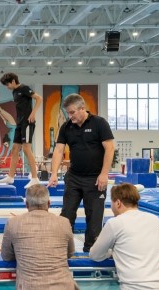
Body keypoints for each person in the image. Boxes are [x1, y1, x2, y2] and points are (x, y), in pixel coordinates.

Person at [47, 93, 115, 253]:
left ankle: (91, 250)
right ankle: (62, 249)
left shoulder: (99, 123)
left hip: (96, 179)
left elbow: (110, 148)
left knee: (94, 219)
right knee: (66, 215)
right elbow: (58, 150)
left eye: (72, 112)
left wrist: (104, 174)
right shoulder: (66, 127)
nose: (69, 117)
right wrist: (54, 173)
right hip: (74, 178)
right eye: (67, 113)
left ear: (82, 108)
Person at [89, 183, 159, 290]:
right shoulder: (154, 219)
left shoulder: (115, 223)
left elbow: (95, 255)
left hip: (135, 287)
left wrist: (111, 252)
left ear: (118, 203)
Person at [1, 184, 79, 290]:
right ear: (49, 203)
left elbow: (6, 256)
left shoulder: (13, 223)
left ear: (27, 204)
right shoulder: (64, 222)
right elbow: (69, 253)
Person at [0, 72, 43, 189]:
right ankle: (10, 177)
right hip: (19, 123)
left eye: (7, 85)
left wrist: (33, 113)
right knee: (15, 149)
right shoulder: (14, 91)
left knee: (26, 149)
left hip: (27, 123)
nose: (7, 87)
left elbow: (39, 98)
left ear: (13, 81)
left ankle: (35, 178)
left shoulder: (24, 88)